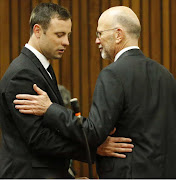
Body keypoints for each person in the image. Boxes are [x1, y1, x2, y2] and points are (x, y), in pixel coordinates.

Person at [14, 5, 176, 178]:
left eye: (100, 34)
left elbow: (93, 133)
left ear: (118, 35)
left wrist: (50, 109)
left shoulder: (113, 74)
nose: (97, 40)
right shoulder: (166, 75)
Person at [0, 3, 133, 179]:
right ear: (38, 31)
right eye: (60, 35)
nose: (66, 42)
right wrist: (93, 148)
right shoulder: (22, 73)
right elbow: (38, 138)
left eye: (68, 35)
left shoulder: (38, 67)